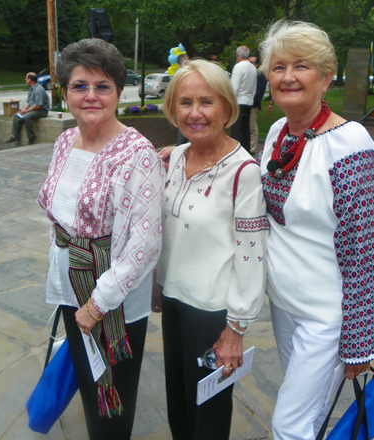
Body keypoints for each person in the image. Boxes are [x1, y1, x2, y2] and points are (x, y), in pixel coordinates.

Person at [258, 21, 374, 440]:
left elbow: (366, 250)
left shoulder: (348, 144)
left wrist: (361, 343)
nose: (288, 76)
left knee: (289, 425)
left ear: (326, 76)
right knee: (310, 417)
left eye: (301, 66)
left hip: (326, 316)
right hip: (283, 304)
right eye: (278, 66)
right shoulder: (279, 132)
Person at [37, 38, 165, 440]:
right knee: (90, 390)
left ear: (118, 92)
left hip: (111, 299)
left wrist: (96, 305)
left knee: (111, 401)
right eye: (80, 86)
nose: (90, 96)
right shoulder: (64, 142)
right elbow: (62, 217)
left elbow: (144, 246)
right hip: (71, 285)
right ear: (65, 93)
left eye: (102, 86)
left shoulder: (136, 154)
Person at [156, 59, 269, 440]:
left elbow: (252, 256)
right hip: (173, 301)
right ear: (173, 110)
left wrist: (235, 328)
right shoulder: (176, 159)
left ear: (227, 108)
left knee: (208, 415)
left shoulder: (244, 172)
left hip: (212, 313)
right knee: (179, 404)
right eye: (185, 103)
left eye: (207, 102)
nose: (195, 113)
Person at [5, 72, 50, 145]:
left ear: (30, 79)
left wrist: (26, 111)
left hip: (41, 111)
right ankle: (15, 136)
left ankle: (31, 137)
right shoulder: (31, 89)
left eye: (26, 78)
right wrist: (22, 109)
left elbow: (38, 106)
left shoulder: (39, 90)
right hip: (33, 109)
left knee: (27, 116)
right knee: (17, 116)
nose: (25, 79)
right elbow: (28, 102)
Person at [230, 46, 257, 153]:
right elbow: (254, 87)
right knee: (245, 130)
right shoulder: (253, 68)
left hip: (238, 101)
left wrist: (230, 102)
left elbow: (234, 87)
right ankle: (246, 151)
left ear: (238, 55)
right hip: (249, 101)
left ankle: (236, 151)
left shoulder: (238, 67)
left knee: (236, 130)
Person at [249, 55, 268, 156]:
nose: (249, 65)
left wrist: (255, 102)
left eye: (251, 62)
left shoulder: (260, 74)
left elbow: (260, 90)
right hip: (246, 103)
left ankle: (252, 148)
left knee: (252, 127)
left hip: (253, 104)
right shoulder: (249, 72)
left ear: (256, 64)